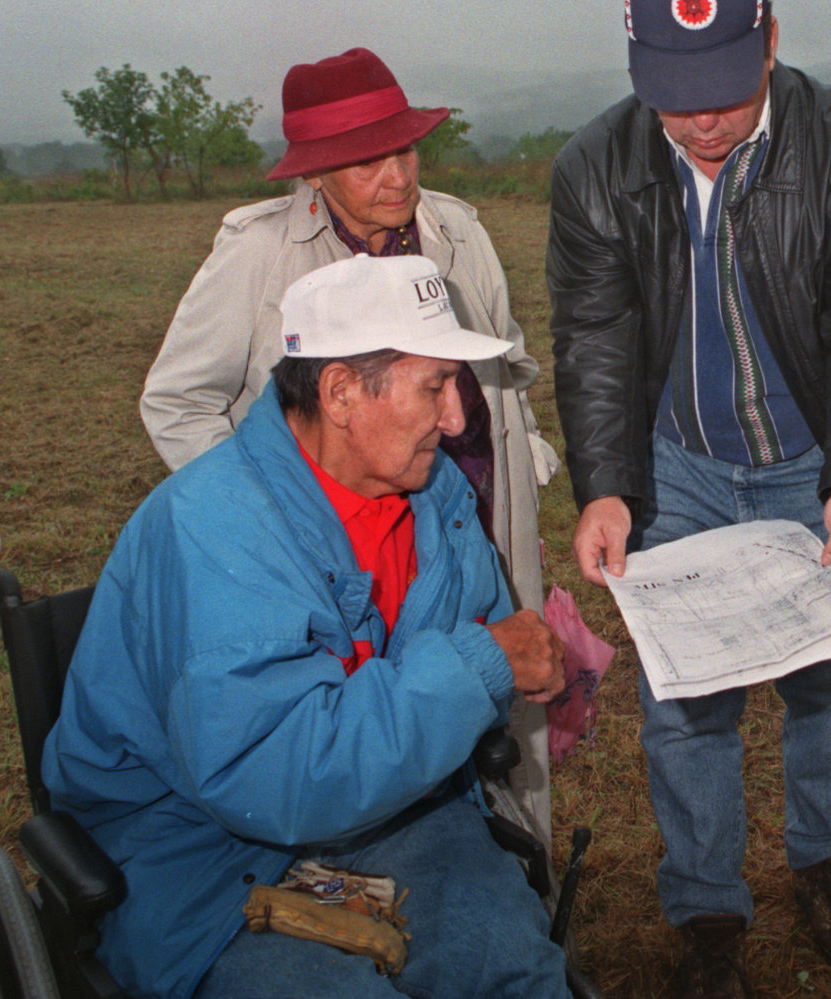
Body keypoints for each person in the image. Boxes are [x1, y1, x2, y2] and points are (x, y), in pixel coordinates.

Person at [547, 0, 831, 998]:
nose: (705, 119)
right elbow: (595, 340)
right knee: (684, 701)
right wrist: (608, 486)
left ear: (770, 43)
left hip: (813, 465)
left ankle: (823, 862)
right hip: (682, 469)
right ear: (636, 70)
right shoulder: (595, 168)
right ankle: (707, 902)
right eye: (675, 94)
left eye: (723, 86)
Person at [44, 255, 572, 999]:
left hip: (389, 810)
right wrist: (483, 666)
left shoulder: (434, 490)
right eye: (435, 386)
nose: (457, 418)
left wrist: (518, 661)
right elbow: (272, 777)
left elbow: (479, 632)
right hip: (197, 850)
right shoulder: (215, 530)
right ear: (342, 392)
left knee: (518, 974)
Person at [139, 46, 559, 852]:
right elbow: (175, 399)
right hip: (342, 549)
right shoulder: (260, 252)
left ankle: (511, 872)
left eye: (403, 150)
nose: (396, 177)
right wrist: (267, 524)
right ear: (316, 175)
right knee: (362, 724)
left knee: (506, 717)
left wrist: (522, 471)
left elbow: (506, 364)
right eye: (366, 162)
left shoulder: (457, 231)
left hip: (469, 514)